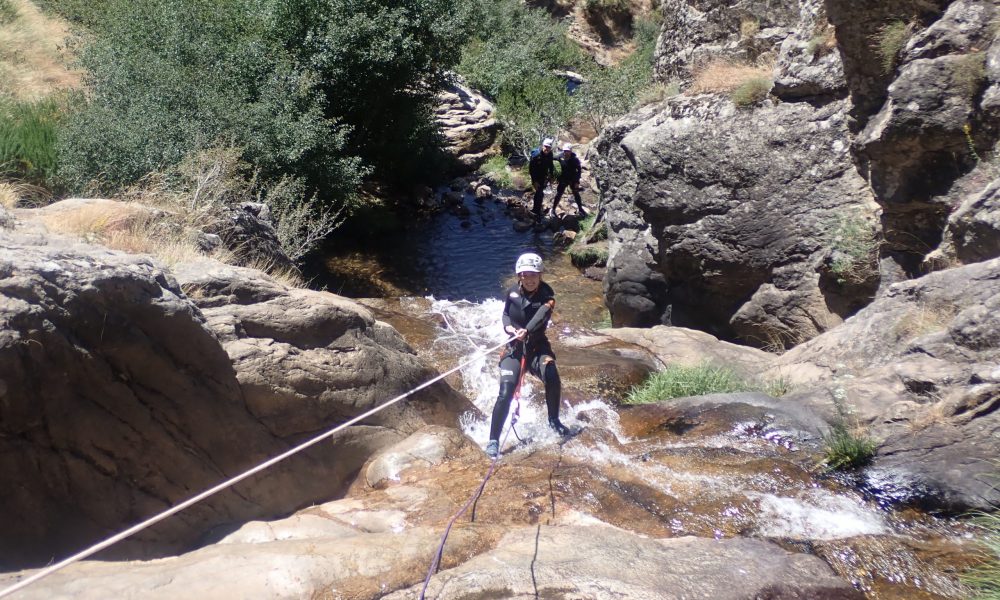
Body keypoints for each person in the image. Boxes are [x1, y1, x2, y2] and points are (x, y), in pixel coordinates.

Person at [485, 252, 570, 458]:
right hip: (514, 348)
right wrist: (509, 330)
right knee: (505, 391)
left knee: (551, 374)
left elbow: (542, 315)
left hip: (537, 347)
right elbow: (505, 314)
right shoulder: (512, 292)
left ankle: (553, 420)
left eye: (534, 275)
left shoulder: (548, 295)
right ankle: (494, 440)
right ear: (519, 276)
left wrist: (527, 330)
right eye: (525, 275)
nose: (530, 279)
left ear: (540, 276)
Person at [551, 143, 587, 217]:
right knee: (559, 194)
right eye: (565, 151)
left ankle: (580, 209)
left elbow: (579, 170)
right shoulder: (560, 156)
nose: (566, 152)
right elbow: (551, 159)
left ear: (571, 151)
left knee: (576, 193)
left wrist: (577, 181)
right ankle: (553, 209)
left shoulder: (575, 159)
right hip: (562, 179)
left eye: (568, 151)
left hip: (572, 179)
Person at [528, 138, 556, 220]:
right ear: (542, 145)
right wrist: (534, 181)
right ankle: (535, 211)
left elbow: (551, 165)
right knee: (539, 192)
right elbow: (531, 169)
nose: (547, 149)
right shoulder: (536, 154)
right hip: (536, 176)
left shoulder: (550, 154)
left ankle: (537, 209)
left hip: (544, 176)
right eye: (546, 146)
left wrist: (551, 176)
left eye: (549, 147)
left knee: (540, 193)